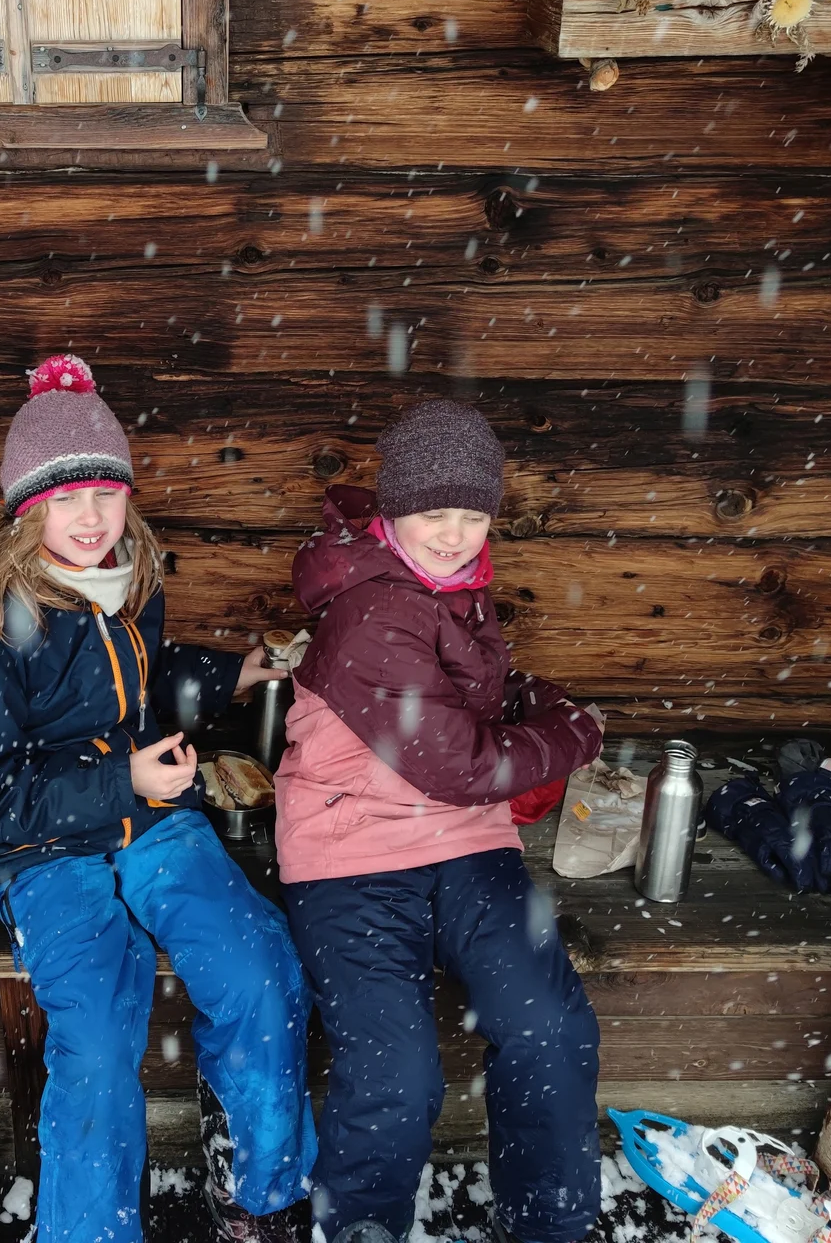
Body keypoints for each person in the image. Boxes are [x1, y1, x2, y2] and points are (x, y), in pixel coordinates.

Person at [0, 355, 315, 1243]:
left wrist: (234, 673)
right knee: (99, 1027)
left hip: (145, 814)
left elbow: (136, 680)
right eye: (65, 500)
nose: (91, 518)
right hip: (38, 847)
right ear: (27, 511)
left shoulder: (129, 578)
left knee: (261, 970)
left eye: (105, 492)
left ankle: (261, 1187)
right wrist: (119, 781)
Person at [275, 399, 606, 1243]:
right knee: (398, 1071)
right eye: (434, 514)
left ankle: (550, 1228)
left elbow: (477, 700)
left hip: (461, 841)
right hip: (351, 849)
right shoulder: (371, 609)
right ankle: (360, 1226)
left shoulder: (453, 586)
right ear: (391, 512)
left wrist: (529, 700)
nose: (456, 534)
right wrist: (573, 733)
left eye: (473, 513)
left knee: (549, 1025)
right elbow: (462, 765)